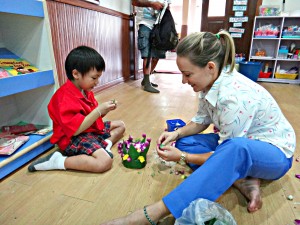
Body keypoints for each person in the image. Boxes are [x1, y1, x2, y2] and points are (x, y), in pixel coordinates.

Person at [101, 31, 296, 224]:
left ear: (210, 67)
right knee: (184, 141)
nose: (184, 81)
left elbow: (228, 153)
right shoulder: (209, 83)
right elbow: (201, 121)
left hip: (275, 154)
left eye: (187, 74)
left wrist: (183, 157)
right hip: (240, 145)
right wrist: (175, 133)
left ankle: (154, 213)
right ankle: (242, 180)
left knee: (234, 149)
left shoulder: (234, 98)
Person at [28, 46, 125, 173]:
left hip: (89, 130)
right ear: (76, 74)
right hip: (72, 138)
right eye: (94, 78)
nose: (97, 82)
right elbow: (76, 130)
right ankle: (58, 161)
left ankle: (104, 145)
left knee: (120, 125)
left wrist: (104, 111)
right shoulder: (64, 98)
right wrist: (99, 111)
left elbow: (89, 116)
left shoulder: (85, 90)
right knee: (104, 162)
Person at [132, 0, 171, 93]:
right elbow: (134, 1)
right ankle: (146, 83)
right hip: (145, 24)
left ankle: (146, 79)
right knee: (147, 54)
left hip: (159, 25)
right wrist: (151, 4)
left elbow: (168, 7)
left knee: (158, 55)